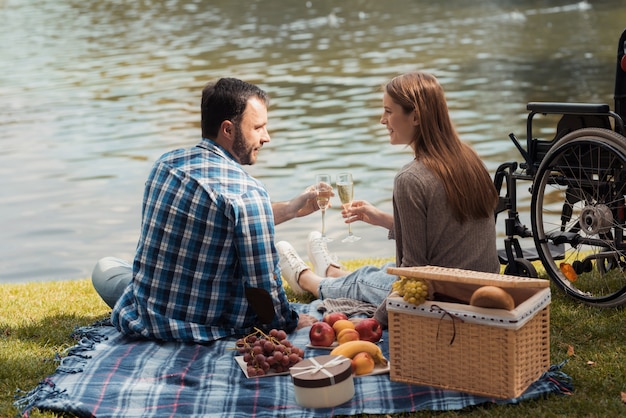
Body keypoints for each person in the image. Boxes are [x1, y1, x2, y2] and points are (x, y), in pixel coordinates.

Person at [91, 77, 319, 343]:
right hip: (205, 324)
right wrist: (290, 321)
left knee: (104, 266)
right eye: (258, 127)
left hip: (147, 312)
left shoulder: (166, 164)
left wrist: (291, 209)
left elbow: (222, 217)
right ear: (228, 129)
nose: (266, 137)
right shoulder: (248, 193)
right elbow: (263, 288)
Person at [276, 71, 500, 324]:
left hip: (443, 301)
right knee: (379, 272)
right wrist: (384, 219)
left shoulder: (411, 178)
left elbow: (412, 276)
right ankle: (333, 270)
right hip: (482, 289)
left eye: (388, 111)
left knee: (364, 282)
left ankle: (306, 278)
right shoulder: (469, 159)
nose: (382, 120)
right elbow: (444, 229)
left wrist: (375, 322)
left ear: (415, 116)